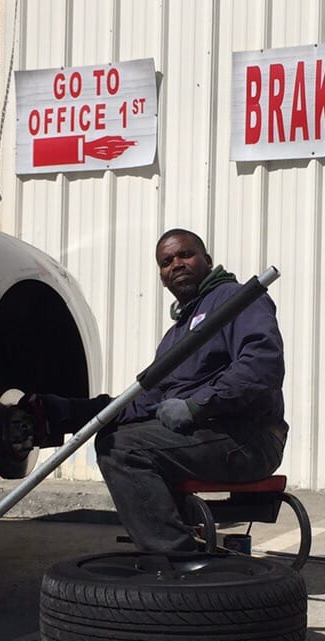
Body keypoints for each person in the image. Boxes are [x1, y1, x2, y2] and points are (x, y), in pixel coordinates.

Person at [33, 228, 288, 552]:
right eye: (167, 262)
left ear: (207, 260)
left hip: (248, 437)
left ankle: (177, 559)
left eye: (186, 254)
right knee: (124, 435)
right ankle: (179, 541)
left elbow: (261, 367)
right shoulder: (176, 335)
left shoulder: (236, 299)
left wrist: (196, 406)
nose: (177, 264)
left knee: (126, 448)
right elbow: (145, 402)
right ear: (162, 278)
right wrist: (67, 412)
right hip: (207, 436)